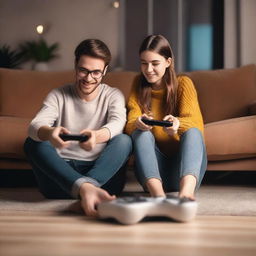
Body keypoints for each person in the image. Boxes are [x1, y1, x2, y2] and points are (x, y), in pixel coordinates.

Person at [24, 39, 132, 216]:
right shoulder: (58, 95)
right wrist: (50, 133)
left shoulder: (113, 95)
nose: (89, 78)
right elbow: (34, 126)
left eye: (96, 72)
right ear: (75, 65)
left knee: (124, 140)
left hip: (102, 175)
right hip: (61, 178)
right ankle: (87, 191)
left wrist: (96, 137)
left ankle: (86, 189)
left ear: (105, 70)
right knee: (33, 142)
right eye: (83, 70)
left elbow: (117, 124)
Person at [125, 35, 207, 200]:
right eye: (143, 63)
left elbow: (196, 123)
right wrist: (137, 123)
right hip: (152, 174)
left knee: (193, 132)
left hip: (185, 172)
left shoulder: (183, 83)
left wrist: (177, 124)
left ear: (168, 62)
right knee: (140, 133)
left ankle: (186, 195)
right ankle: (159, 196)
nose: (148, 69)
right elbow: (130, 123)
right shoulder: (137, 83)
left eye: (155, 63)